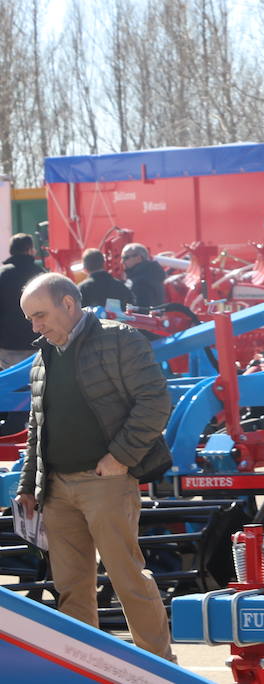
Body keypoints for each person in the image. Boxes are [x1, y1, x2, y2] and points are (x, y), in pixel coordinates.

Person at [14, 273, 174, 660]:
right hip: (56, 489)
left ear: (68, 304)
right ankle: (86, 667)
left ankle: (158, 667)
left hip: (106, 482)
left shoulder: (121, 339)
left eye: (40, 315)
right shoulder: (44, 356)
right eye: (30, 319)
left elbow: (155, 402)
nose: (35, 327)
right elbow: (37, 426)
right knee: (71, 588)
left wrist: (119, 457)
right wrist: (29, 484)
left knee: (128, 580)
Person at [0, 233, 44, 367]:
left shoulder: (2, 274)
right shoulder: (41, 274)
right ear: (30, 250)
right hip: (36, 342)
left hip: (6, 346)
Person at [121, 243, 167, 308]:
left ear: (138, 258)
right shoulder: (152, 274)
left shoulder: (140, 281)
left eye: (125, 258)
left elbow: (139, 308)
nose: (122, 261)